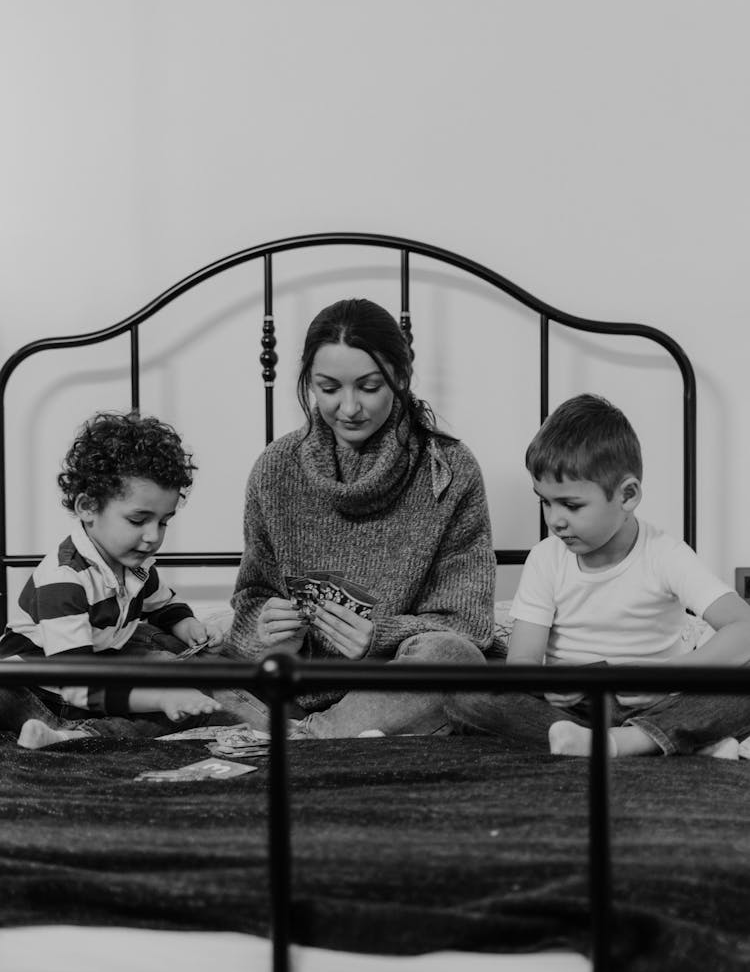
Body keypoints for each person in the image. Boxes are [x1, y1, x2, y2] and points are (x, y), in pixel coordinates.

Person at [225, 297, 497, 737]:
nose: (349, 408)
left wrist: (379, 636)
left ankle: (308, 738)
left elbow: (467, 625)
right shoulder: (274, 469)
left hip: (393, 686)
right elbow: (250, 602)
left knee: (453, 659)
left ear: (401, 377)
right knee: (182, 668)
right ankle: (319, 734)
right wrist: (272, 635)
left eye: (368, 387)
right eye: (329, 388)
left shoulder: (448, 469)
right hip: (292, 687)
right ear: (309, 384)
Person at [445, 393, 750, 757]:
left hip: (655, 702)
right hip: (572, 710)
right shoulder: (546, 559)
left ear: (627, 495)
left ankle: (629, 741)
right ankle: (666, 741)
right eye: (545, 501)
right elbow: (523, 661)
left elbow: (744, 627)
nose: (555, 520)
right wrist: (546, 685)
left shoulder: (666, 555)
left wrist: (669, 676)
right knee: (462, 691)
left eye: (571, 505)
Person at [0, 412, 224, 748]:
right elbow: (77, 683)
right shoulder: (64, 580)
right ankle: (60, 732)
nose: (152, 537)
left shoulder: (136, 564)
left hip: (86, 688)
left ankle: (70, 738)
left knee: (186, 709)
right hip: (32, 686)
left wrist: (188, 625)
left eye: (163, 522)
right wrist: (161, 698)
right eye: (139, 520)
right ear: (88, 507)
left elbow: (163, 605)